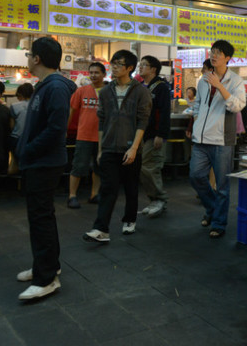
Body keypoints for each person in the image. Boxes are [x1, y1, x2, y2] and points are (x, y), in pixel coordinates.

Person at [15, 37, 76, 301]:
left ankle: (47, 279)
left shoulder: (56, 87)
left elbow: (55, 130)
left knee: (41, 219)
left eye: (29, 54)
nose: (28, 59)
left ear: (37, 58)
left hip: (44, 162)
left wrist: (27, 150)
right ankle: (47, 265)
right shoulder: (46, 85)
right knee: (41, 218)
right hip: (38, 161)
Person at [83, 50, 151, 242]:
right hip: (109, 148)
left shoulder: (141, 91)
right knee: (108, 188)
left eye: (119, 64)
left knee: (130, 187)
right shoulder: (105, 91)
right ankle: (101, 229)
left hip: (131, 147)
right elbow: (102, 121)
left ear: (130, 68)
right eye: (113, 63)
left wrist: (134, 148)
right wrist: (100, 150)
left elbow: (142, 121)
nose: (114, 67)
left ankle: (129, 219)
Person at [189, 40, 246, 239]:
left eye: (219, 53)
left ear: (228, 58)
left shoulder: (236, 81)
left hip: (222, 140)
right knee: (195, 176)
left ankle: (219, 222)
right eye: (212, 52)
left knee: (222, 185)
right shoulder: (203, 80)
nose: (214, 56)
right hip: (200, 139)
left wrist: (220, 86)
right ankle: (214, 209)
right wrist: (195, 124)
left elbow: (237, 106)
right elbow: (198, 105)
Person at [67, 62, 105, 209]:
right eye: (91, 72)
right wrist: (65, 129)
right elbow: (71, 111)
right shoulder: (81, 91)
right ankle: (72, 196)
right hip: (83, 135)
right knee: (78, 166)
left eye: (97, 72)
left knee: (98, 167)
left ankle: (94, 194)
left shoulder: (108, 92)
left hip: (102, 137)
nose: (93, 75)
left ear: (103, 74)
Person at [138, 55, 171, 219]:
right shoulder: (141, 85)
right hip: (142, 134)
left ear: (153, 69)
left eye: (144, 65)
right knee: (144, 168)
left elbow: (165, 112)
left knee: (150, 167)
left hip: (154, 135)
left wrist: (161, 134)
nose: (140, 67)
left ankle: (160, 200)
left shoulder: (161, 87)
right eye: (140, 64)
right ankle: (153, 200)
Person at [9, 82, 34, 174]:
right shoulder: (37, 105)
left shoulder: (14, 106)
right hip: (32, 138)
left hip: (16, 138)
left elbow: (11, 125)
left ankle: (14, 183)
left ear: (19, 95)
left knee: (14, 162)